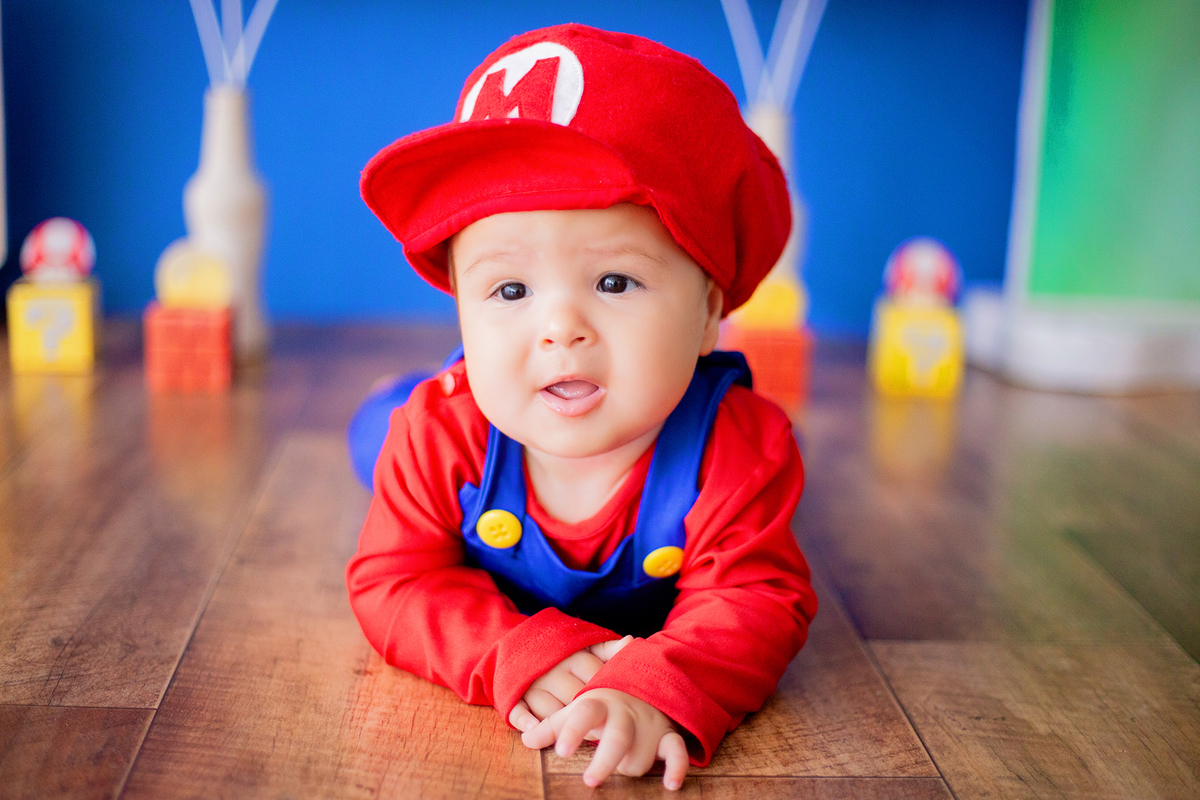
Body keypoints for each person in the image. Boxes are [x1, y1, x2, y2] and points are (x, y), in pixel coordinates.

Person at [346, 23, 817, 791]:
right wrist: (512, 649)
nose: (560, 328)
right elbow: (394, 582)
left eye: (614, 282)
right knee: (380, 435)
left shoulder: (738, 450)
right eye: (510, 290)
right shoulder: (438, 434)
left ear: (708, 312)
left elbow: (755, 600)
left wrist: (663, 684)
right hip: (434, 424)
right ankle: (384, 399)